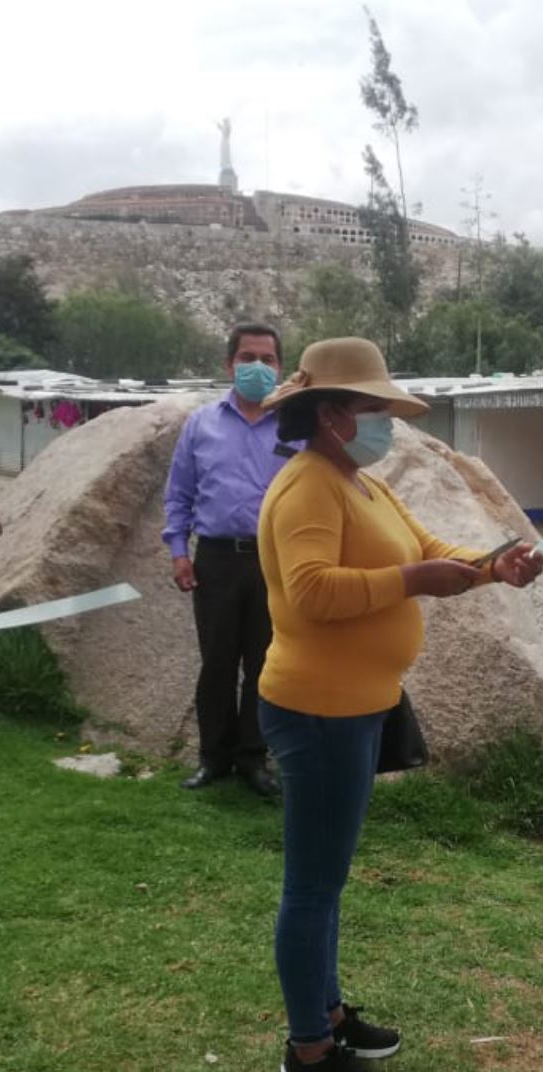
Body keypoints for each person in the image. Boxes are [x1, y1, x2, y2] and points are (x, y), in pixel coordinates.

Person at [255, 337, 543, 1072]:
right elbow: (313, 591)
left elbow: (427, 548)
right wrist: (412, 581)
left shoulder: (359, 482)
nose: (385, 420)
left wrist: (492, 566)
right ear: (332, 414)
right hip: (316, 710)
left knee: (328, 878)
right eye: (374, 407)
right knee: (311, 885)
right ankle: (308, 1051)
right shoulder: (306, 488)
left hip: (356, 706)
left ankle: (330, 1011)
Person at [162, 322, 294, 798]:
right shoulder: (202, 424)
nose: (257, 367)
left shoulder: (294, 425)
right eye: (247, 358)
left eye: (267, 359)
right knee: (217, 664)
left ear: (281, 367)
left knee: (264, 665)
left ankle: (253, 759)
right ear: (229, 364)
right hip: (215, 559)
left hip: (273, 562)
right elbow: (179, 495)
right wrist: (179, 551)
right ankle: (212, 758)